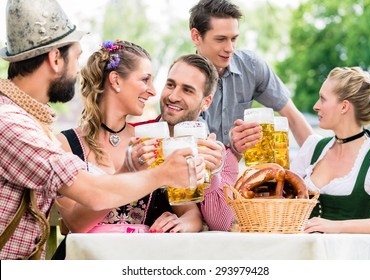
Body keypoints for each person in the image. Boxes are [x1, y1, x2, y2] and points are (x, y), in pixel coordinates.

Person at [0, 0, 203, 260]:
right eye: (76, 58)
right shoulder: (13, 124)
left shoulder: (33, 125)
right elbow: (89, 199)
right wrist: (160, 172)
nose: (78, 70)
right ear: (55, 59)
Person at [55, 40, 203, 236]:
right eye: (145, 80)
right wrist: (127, 171)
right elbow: (75, 224)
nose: (153, 91)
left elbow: (192, 215)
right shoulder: (65, 143)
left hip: (137, 259)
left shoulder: (151, 141)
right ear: (115, 80)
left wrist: (181, 224)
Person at [188, 0, 313, 156]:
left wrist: (320, 165)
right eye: (220, 39)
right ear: (196, 36)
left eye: (233, 39)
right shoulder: (183, 81)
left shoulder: (251, 66)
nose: (230, 49)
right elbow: (195, 151)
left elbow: (293, 117)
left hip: (240, 172)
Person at [130, 54, 237, 231]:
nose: (173, 96)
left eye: (187, 90)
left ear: (206, 102)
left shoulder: (222, 155)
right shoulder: (133, 135)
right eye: (170, 85)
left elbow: (221, 225)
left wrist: (213, 173)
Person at [290, 66, 370, 234]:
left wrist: (337, 226)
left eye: (323, 99)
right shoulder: (313, 148)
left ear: (344, 107)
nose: (316, 106)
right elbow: (283, 203)